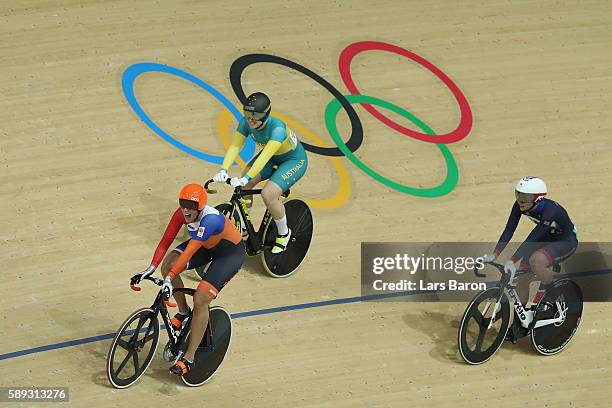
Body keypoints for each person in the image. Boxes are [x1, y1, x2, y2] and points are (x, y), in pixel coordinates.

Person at [130, 183, 245, 375]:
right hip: (205, 247)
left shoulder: (210, 220)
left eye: (191, 205)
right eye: (183, 203)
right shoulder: (180, 214)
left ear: (200, 207)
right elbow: (166, 240)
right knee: (167, 265)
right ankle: (183, 312)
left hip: (228, 255)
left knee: (201, 298)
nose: (186, 209)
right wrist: (150, 268)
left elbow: (191, 250)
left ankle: (189, 357)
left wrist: (171, 278)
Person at [481, 176, 578, 342]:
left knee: (536, 261)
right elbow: (509, 230)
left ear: (538, 198)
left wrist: (511, 260)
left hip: (565, 241)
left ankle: (553, 293)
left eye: (525, 197)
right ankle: (520, 321)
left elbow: (532, 237)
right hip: (545, 238)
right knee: (522, 278)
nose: (520, 200)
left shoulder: (550, 210)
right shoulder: (520, 205)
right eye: (518, 194)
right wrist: (495, 254)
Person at [212, 92, 308, 253]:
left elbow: (265, 156)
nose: (250, 120)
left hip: (292, 161)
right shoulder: (245, 123)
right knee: (245, 186)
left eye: (255, 116)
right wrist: (223, 169)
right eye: (247, 114)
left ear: (266, 115)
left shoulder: (277, 129)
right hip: (272, 157)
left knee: (268, 194)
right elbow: (235, 146)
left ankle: (284, 233)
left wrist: (247, 177)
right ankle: (244, 225)